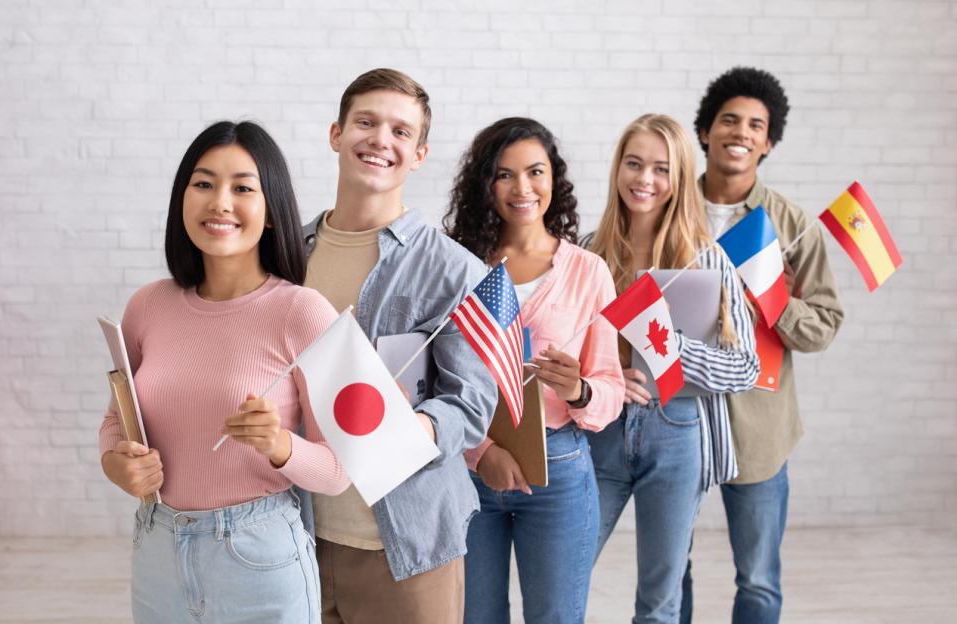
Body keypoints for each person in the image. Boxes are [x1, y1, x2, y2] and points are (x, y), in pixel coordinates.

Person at [98, 121, 349, 623]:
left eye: (242, 188)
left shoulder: (305, 311)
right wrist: (117, 464)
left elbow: (338, 472)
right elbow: (115, 424)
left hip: (259, 556)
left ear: (272, 210)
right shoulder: (148, 305)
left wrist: (279, 444)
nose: (220, 202)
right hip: (158, 547)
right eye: (204, 183)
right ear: (182, 199)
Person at [300, 68, 497, 624]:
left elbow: (471, 406)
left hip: (405, 544)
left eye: (400, 131)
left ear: (419, 153)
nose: (380, 139)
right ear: (336, 133)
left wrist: (419, 428)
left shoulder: (455, 270)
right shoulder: (286, 257)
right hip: (295, 534)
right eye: (366, 122)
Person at [443, 117, 625, 624]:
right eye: (504, 174)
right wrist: (482, 454)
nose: (522, 188)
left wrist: (581, 390)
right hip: (468, 471)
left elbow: (610, 390)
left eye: (535, 172)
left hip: (560, 470)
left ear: (554, 179)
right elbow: (436, 382)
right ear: (485, 184)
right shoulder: (460, 264)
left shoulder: (588, 271)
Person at [679, 67, 844, 624]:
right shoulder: (666, 210)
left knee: (758, 578)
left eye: (756, 124)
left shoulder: (794, 226)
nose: (741, 132)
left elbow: (823, 323)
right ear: (705, 130)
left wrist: (774, 303)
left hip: (759, 426)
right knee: (670, 566)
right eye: (729, 120)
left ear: (768, 141)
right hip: (679, 418)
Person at [585, 113, 759, 624]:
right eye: (634, 164)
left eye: (661, 169)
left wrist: (668, 346)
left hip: (678, 431)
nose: (644, 180)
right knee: (566, 570)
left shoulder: (705, 261)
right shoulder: (591, 252)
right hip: (601, 432)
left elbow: (745, 368)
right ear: (618, 169)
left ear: (679, 179)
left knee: (659, 601)